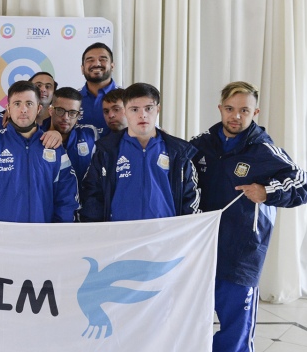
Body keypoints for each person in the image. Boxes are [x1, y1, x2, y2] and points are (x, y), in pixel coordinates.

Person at [190, 81, 307, 352]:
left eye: (244, 110)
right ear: (220, 109)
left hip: (242, 246)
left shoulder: (262, 149)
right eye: (230, 109)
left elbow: (302, 185)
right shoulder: (202, 144)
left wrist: (266, 191)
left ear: (255, 112)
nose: (236, 116)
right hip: (201, 246)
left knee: (235, 313)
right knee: (196, 310)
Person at [79, 83, 199, 222]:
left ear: (158, 109)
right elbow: (92, 196)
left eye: (148, 108)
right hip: (120, 238)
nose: (142, 115)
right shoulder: (106, 150)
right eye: (134, 109)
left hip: (164, 238)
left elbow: (190, 200)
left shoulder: (179, 152)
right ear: (125, 112)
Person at [0, 81, 79, 223]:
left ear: (39, 108)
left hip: (43, 240)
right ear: (8, 108)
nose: (23, 109)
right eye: (17, 103)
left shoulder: (55, 149)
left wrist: (57, 235)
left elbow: (66, 200)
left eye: (29, 104)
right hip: (1, 241)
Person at [45, 87, 98, 190]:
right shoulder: (37, 137)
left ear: (78, 115)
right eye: (60, 110)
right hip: (48, 205)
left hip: (85, 204)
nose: (66, 117)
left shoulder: (90, 134)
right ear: (51, 110)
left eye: (72, 113)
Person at [79, 43, 119, 137]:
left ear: (112, 66)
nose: (96, 64)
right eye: (90, 60)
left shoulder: (127, 98)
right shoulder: (73, 100)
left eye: (102, 59)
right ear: (82, 69)